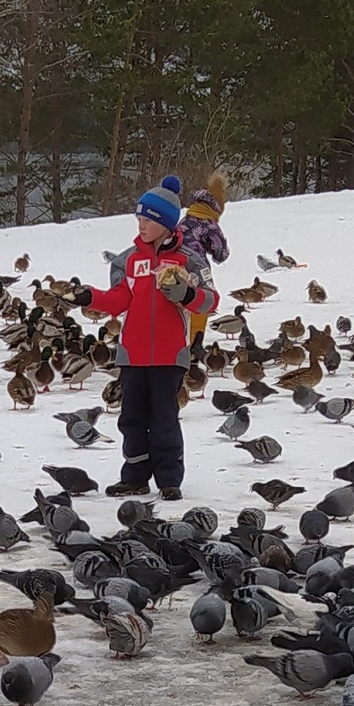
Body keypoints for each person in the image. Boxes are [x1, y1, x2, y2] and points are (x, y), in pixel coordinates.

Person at [88, 184, 215, 498]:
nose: (140, 225)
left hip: (170, 355)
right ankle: (134, 476)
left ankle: (169, 480)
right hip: (133, 354)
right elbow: (119, 300)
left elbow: (209, 301)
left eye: (147, 219)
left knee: (164, 418)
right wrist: (88, 296)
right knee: (131, 419)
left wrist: (187, 294)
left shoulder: (190, 260)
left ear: (166, 223)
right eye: (138, 219)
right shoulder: (128, 260)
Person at [180, 169, 230, 364]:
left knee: (181, 303)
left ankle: (180, 341)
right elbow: (221, 253)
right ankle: (194, 344)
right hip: (196, 268)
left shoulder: (186, 219)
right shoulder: (209, 224)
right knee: (202, 303)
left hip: (175, 266)